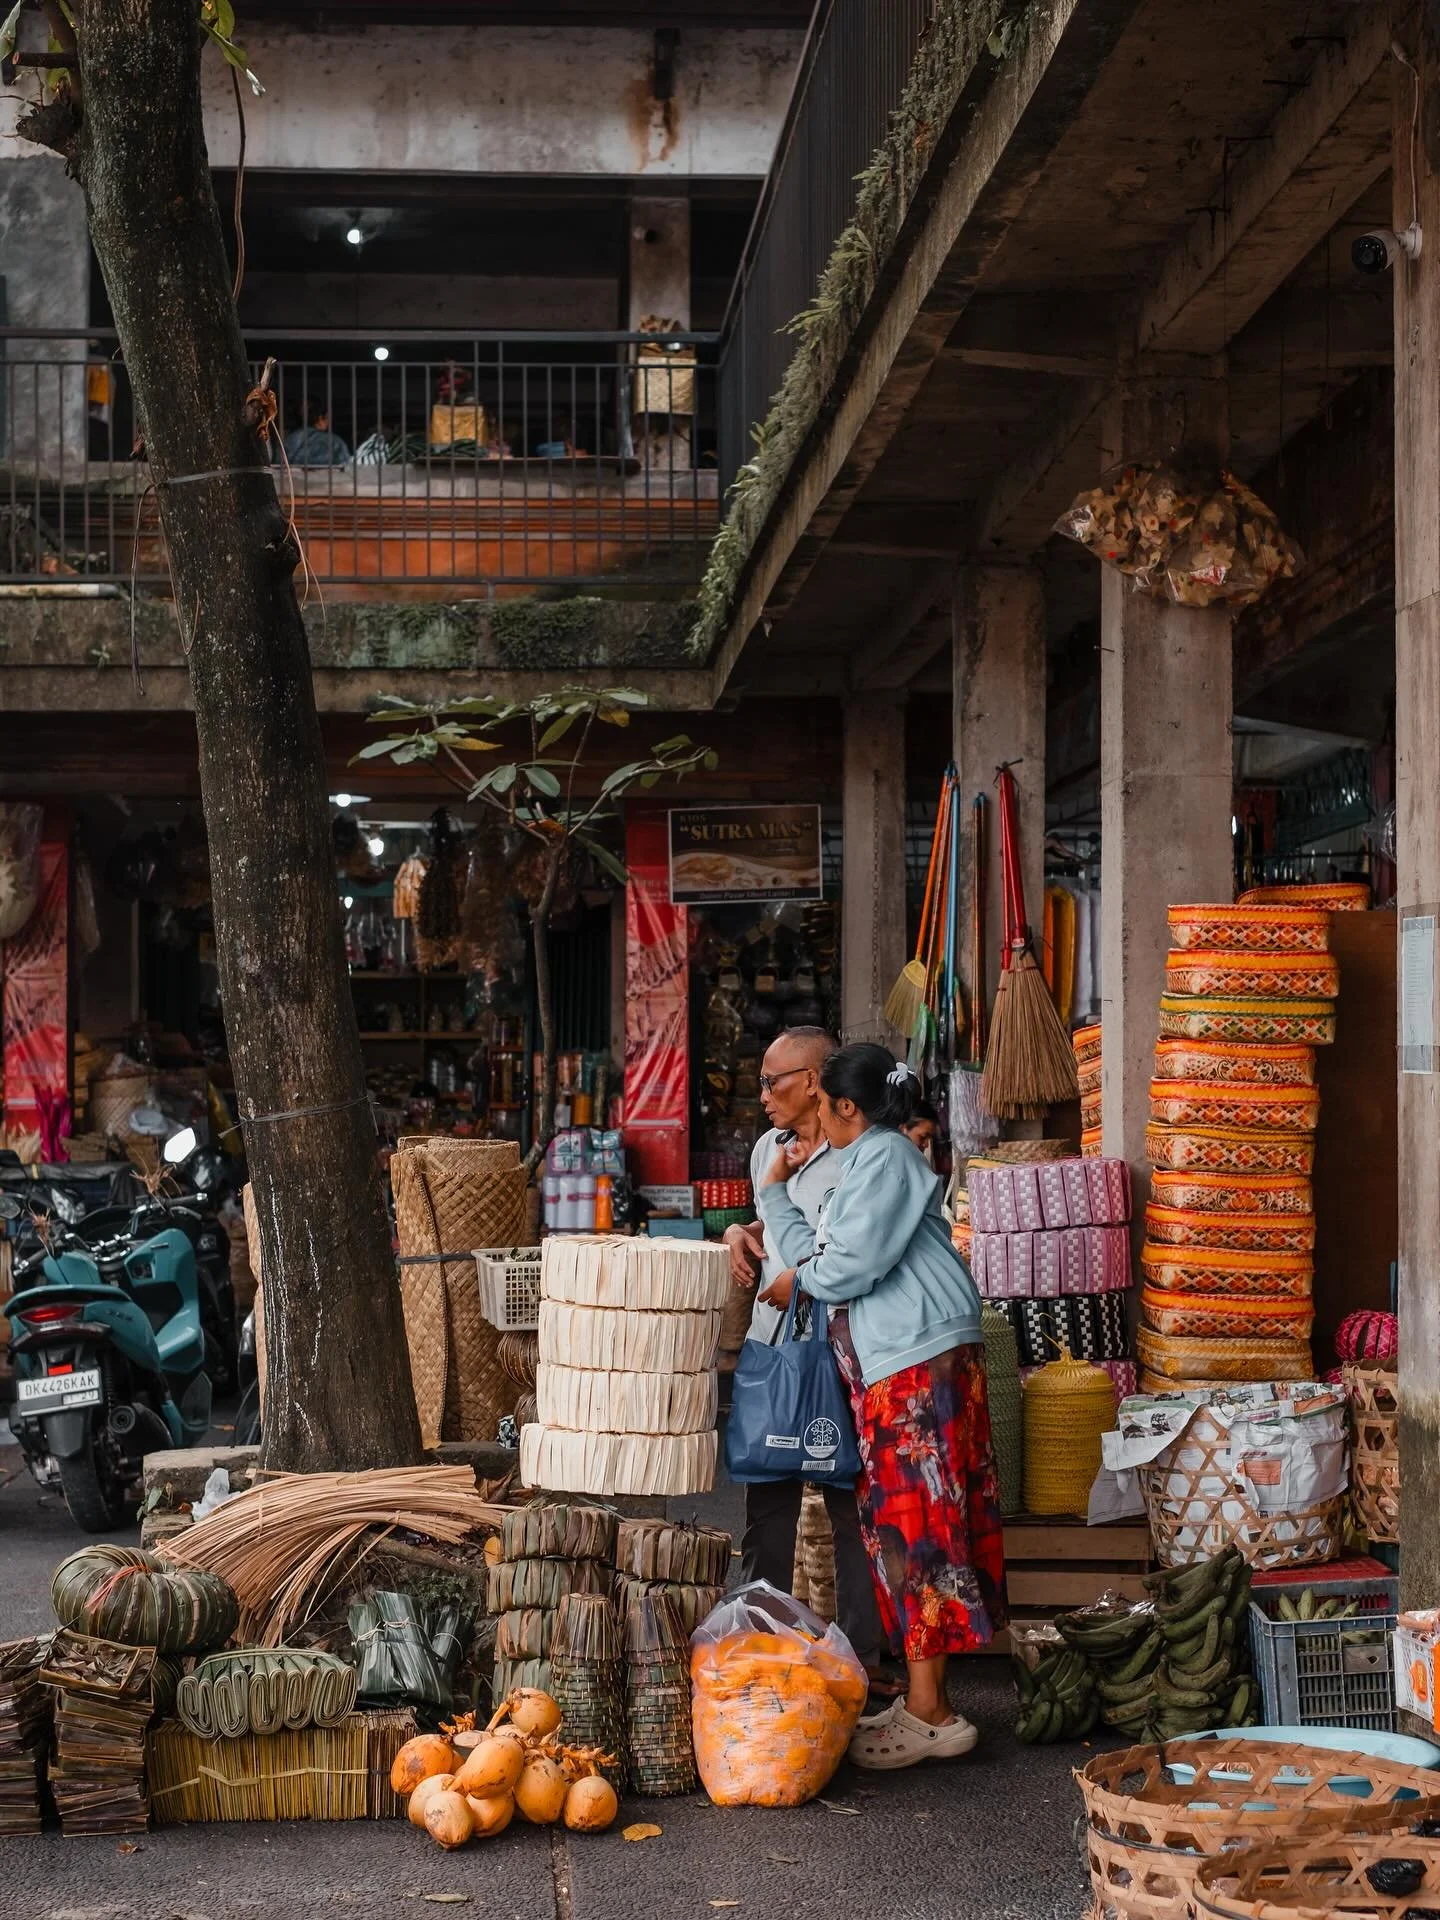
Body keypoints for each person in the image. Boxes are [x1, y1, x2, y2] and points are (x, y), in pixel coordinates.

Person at [755, 1041, 1006, 1769]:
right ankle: (927, 1700)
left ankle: (933, 1712)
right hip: (903, 1357)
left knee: (917, 1521)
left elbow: (846, 1269)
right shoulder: (862, 1165)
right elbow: (820, 1255)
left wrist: (798, 1285)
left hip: (915, 1356)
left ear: (844, 1106)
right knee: (910, 1517)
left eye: (824, 1105)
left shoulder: (887, 1157)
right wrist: (775, 1195)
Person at [721, 1026, 889, 1693]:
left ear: (817, 1080)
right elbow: (772, 1221)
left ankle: (865, 1663)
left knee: (851, 1505)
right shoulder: (769, 1149)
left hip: (844, 1351)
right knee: (769, 1505)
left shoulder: (860, 1154)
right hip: (774, 1350)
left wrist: (807, 1275)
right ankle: (759, 1643)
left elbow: (852, 1249)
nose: (763, 1095)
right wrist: (741, 1230)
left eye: (775, 1081)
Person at [283, 397, 351, 467]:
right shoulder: (335, 442)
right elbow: (346, 468)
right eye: (328, 418)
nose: (329, 422)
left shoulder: (289, 440)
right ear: (320, 418)